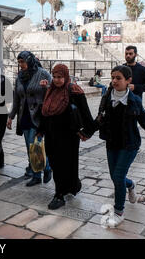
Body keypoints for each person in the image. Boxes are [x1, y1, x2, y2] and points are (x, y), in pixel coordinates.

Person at [96, 65, 145, 227]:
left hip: (129, 145)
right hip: (112, 143)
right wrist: (86, 132)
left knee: (117, 177)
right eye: (113, 77)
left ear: (128, 80)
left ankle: (118, 212)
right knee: (116, 177)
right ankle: (131, 185)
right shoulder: (107, 96)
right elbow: (100, 118)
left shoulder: (134, 101)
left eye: (118, 78)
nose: (114, 81)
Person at [38, 64, 96, 210]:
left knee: (64, 164)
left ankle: (59, 195)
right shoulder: (50, 90)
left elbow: (85, 113)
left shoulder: (74, 91)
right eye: (55, 77)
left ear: (66, 76)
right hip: (51, 134)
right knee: (55, 163)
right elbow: (46, 113)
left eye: (60, 77)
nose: (57, 80)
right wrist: (41, 130)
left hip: (68, 136)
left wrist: (87, 132)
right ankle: (73, 185)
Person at [7, 51, 52, 187]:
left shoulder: (42, 73)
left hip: (39, 116)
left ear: (30, 61)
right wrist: (11, 116)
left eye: (23, 62)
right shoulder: (19, 77)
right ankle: (37, 174)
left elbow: (53, 90)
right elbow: (16, 98)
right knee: (30, 147)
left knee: (35, 146)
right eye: (19, 62)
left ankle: (46, 168)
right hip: (24, 116)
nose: (21, 65)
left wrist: (47, 87)